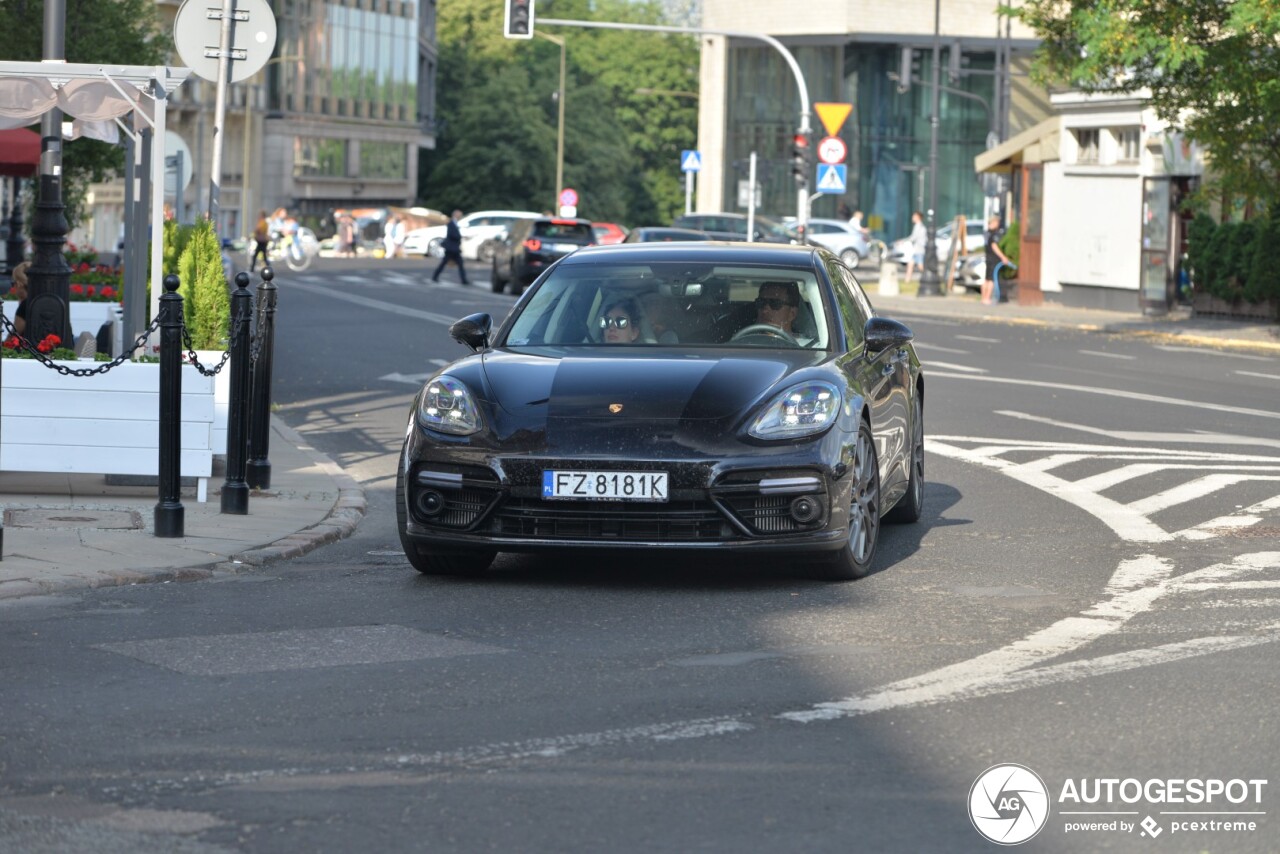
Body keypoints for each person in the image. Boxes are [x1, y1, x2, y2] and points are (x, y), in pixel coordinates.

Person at [431, 210, 469, 285]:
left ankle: (464, 280)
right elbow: (452, 235)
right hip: (452, 248)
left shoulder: (454, 224)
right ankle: (435, 276)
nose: (460, 217)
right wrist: (459, 237)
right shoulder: (451, 224)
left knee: (457, 264)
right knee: (446, 263)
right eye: (459, 215)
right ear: (456, 215)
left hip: (453, 248)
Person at [982, 214, 1012, 305]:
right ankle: (987, 298)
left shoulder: (986, 233)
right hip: (993, 258)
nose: (998, 224)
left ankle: (983, 298)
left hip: (988, 257)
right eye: (997, 222)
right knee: (991, 279)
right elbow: (994, 246)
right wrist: (1003, 257)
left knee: (986, 279)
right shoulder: (994, 234)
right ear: (994, 222)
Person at [8, 260, 30, 338]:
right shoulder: (42, 301)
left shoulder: (25, 305)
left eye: (13, 283)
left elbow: (13, 337)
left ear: (19, 284)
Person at [905, 210, 927, 283]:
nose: (912, 217)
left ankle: (927, 277)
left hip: (919, 250)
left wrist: (903, 241)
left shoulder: (919, 226)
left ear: (918, 217)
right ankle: (907, 281)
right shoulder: (918, 226)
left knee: (921, 266)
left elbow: (914, 237)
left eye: (914, 216)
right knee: (910, 264)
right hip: (916, 249)